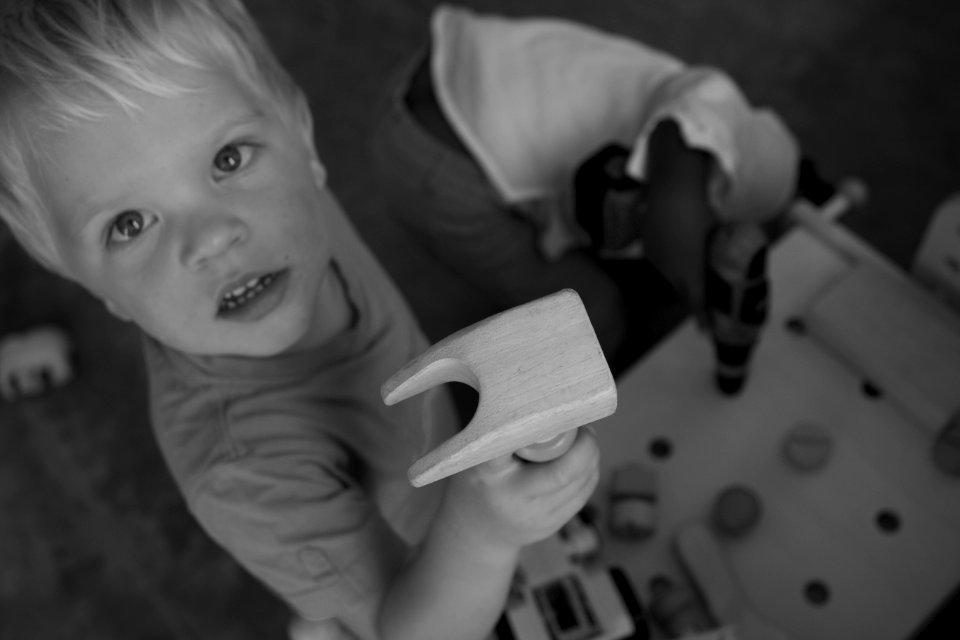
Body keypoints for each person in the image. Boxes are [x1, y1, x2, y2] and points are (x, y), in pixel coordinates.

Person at [0, 2, 600, 639]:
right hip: (421, 580)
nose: (213, 237)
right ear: (95, 291)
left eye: (228, 160)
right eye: (129, 225)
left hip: (428, 462)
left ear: (303, 145)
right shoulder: (242, 468)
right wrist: (483, 533)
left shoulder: (289, 209)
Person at [371, 4, 800, 368]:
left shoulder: (703, 119)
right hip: (437, 167)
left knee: (599, 247)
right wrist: (679, 209)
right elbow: (694, 120)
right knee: (591, 316)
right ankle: (549, 435)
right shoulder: (706, 114)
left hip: (462, 64)